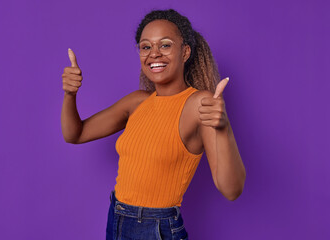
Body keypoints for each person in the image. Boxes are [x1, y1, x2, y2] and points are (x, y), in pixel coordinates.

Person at [61, 9, 246, 240]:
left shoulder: (199, 103)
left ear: (185, 51)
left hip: (156, 229)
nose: (154, 54)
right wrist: (70, 94)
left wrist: (223, 128)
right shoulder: (137, 101)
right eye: (146, 47)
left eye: (165, 45)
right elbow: (75, 134)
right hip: (116, 218)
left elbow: (231, 189)